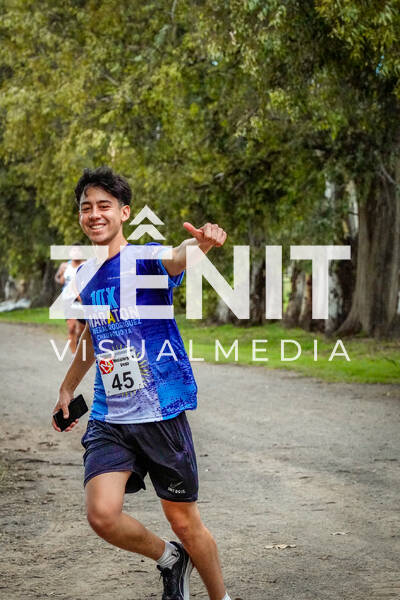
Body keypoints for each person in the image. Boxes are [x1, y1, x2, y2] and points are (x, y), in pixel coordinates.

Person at [51, 166, 232, 600]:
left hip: (159, 412)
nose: (95, 214)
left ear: (124, 213)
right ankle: (170, 559)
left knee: (184, 522)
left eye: (104, 206)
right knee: (102, 515)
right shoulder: (84, 276)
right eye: (87, 207)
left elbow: (178, 256)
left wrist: (203, 242)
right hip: (110, 415)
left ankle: (220, 597)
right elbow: (93, 335)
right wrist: (67, 387)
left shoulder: (145, 259)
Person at [54, 244, 86, 353]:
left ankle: (79, 347)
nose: (76, 253)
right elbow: (58, 280)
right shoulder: (64, 265)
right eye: (74, 251)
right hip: (68, 300)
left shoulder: (85, 265)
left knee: (81, 331)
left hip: (80, 300)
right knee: (71, 328)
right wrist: (61, 275)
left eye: (78, 251)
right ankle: (74, 355)